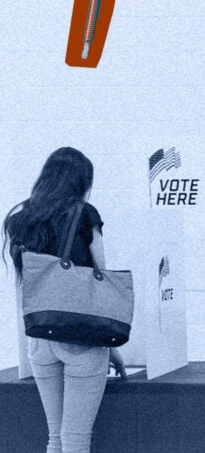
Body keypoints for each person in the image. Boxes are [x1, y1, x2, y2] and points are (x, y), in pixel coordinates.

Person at [2, 147, 126, 453]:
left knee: (55, 438)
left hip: (39, 340)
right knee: (75, 440)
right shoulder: (85, 214)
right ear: (81, 182)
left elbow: (23, 284)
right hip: (81, 338)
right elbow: (102, 275)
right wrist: (110, 347)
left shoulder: (20, 218)